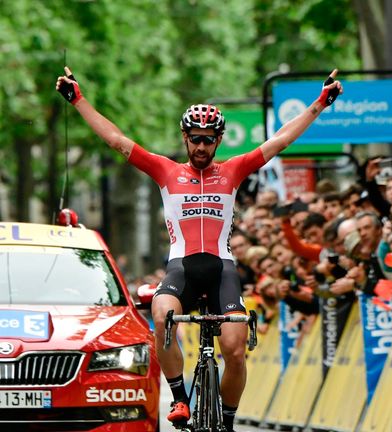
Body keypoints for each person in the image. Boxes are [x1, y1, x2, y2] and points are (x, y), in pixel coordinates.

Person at [56, 66, 343, 429]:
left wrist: (320, 102)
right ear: (185, 138)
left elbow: (281, 140)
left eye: (208, 139)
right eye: (195, 139)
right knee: (161, 317)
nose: (201, 146)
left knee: (235, 351)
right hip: (182, 267)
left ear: (219, 140)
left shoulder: (233, 171)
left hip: (222, 269)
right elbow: (117, 140)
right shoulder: (166, 172)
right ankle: (179, 398)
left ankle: (226, 420)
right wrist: (78, 100)